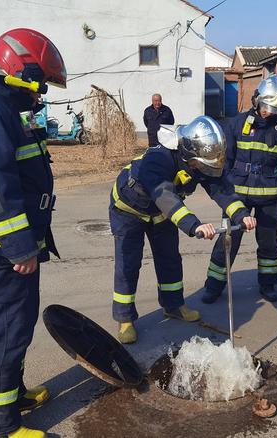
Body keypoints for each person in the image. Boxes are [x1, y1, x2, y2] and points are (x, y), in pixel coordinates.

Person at [0, 28, 67, 438]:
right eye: (41, 84)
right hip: (1, 250)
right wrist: (20, 246)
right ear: (21, 72)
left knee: (17, 328)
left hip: (13, 248)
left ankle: (11, 396)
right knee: (3, 334)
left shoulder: (5, 108)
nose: (42, 94)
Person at [110, 116, 257, 344]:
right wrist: (194, 225)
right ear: (188, 153)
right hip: (129, 210)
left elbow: (221, 189)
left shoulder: (197, 161)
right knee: (128, 263)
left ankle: (173, 305)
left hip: (161, 214)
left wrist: (242, 214)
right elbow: (165, 196)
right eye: (201, 164)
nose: (204, 168)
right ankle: (125, 318)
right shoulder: (159, 158)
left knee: (169, 259)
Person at [202, 75, 277, 304]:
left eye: (275, 108)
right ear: (257, 100)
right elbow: (225, 161)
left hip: (270, 197)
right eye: (267, 106)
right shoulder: (236, 124)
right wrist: (225, 194)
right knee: (227, 241)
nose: (269, 112)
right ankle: (214, 285)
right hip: (238, 197)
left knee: (268, 243)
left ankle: (268, 284)